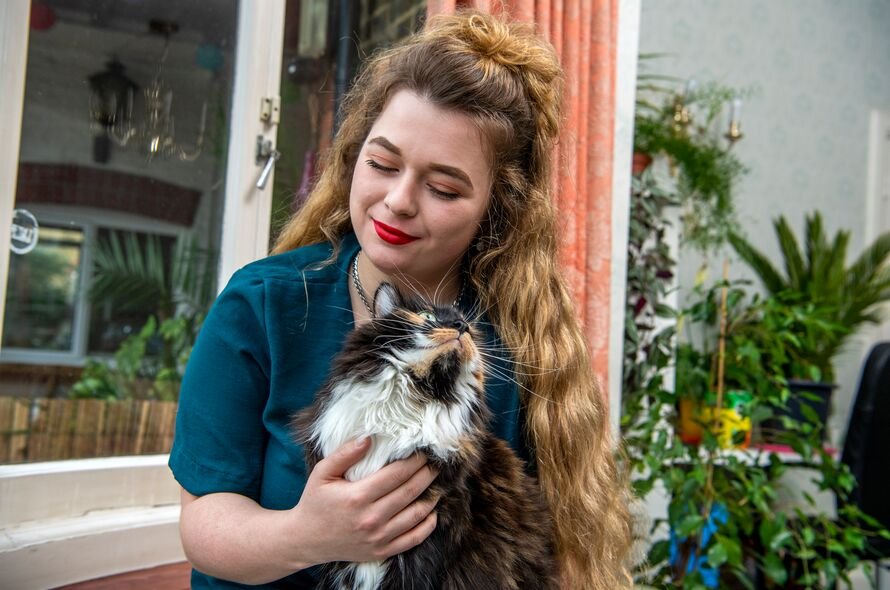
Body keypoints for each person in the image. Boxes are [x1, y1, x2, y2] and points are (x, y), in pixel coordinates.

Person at [170, 10, 632, 590]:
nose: (398, 201)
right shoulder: (262, 308)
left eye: (442, 188)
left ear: (498, 204)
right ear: (352, 155)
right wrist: (308, 535)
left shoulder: (517, 347)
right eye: (382, 164)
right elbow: (204, 525)